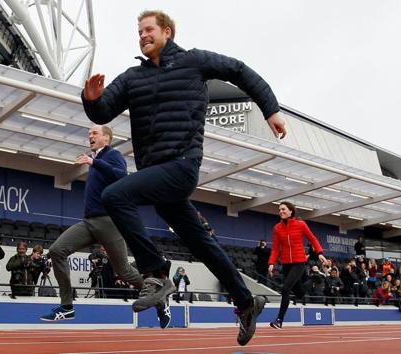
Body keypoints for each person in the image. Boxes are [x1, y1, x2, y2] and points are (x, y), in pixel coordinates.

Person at [81, 10, 284, 345]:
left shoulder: (194, 62)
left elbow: (239, 70)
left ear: (167, 32)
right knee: (201, 243)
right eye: (139, 32)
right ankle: (247, 302)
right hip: (156, 173)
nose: (143, 35)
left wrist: (270, 109)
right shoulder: (133, 77)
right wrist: (90, 99)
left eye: (149, 30)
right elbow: (103, 112)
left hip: (182, 165)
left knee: (115, 196)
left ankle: (157, 272)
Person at [40, 125, 171, 327]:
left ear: (107, 139)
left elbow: (121, 176)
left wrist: (94, 162)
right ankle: (67, 307)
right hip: (89, 222)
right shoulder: (97, 160)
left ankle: (160, 295)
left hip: (109, 222)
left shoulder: (113, 155)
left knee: (124, 272)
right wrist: (94, 162)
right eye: (89, 133)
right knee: (57, 251)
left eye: (95, 133)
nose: (90, 135)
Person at [267, 201, 327, 329]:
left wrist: (320, 253)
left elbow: (313, 239)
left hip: (299, 262)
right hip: (286, 264)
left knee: (285, 289)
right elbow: (275, 249)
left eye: (283, 209)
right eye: (279, 210)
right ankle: (315, 278)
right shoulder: (277, 228)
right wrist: (271, 263)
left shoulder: (301, 224)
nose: (281, 212)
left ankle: (279, 320)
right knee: (299, 293)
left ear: (290, 211)